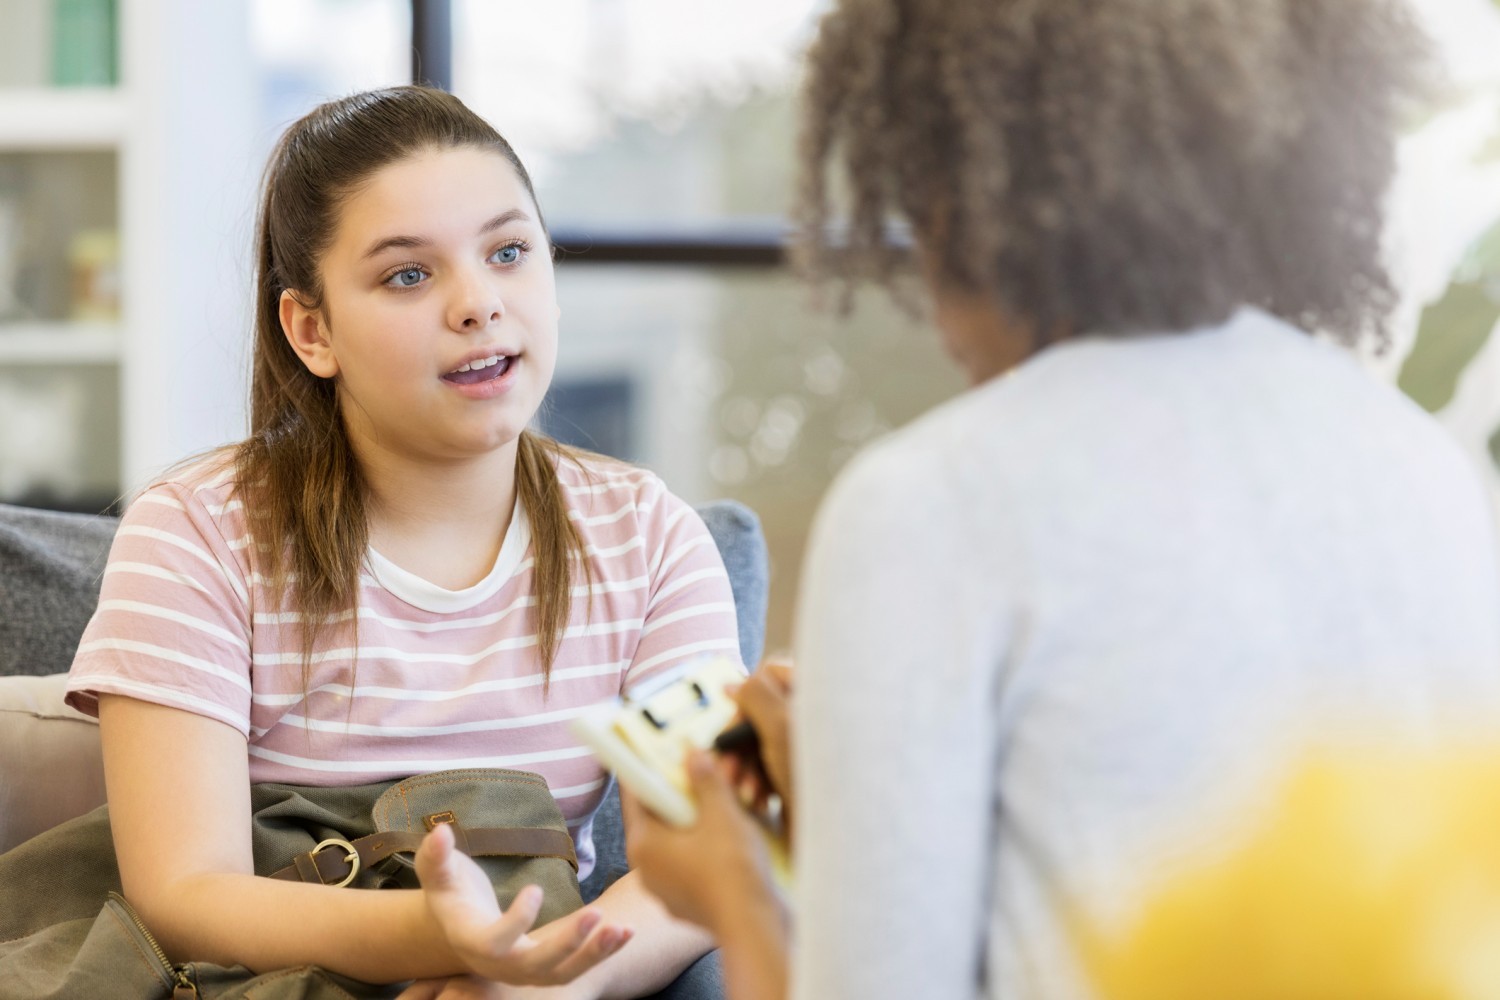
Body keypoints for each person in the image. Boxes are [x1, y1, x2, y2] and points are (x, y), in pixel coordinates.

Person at [622, 1, 1500, 998]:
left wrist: (731, 885)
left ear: (964, 188)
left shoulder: (935, 500)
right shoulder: (1414, 461)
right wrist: (854, 823)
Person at [61, 85, 742, 997]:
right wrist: (444, 936)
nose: (478, 304)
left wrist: (551, 981)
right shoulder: (196, 530)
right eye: (408, 275)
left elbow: (701, 869)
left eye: (508, 252)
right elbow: (184, 889)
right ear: (311, 330)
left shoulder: (653, 538)